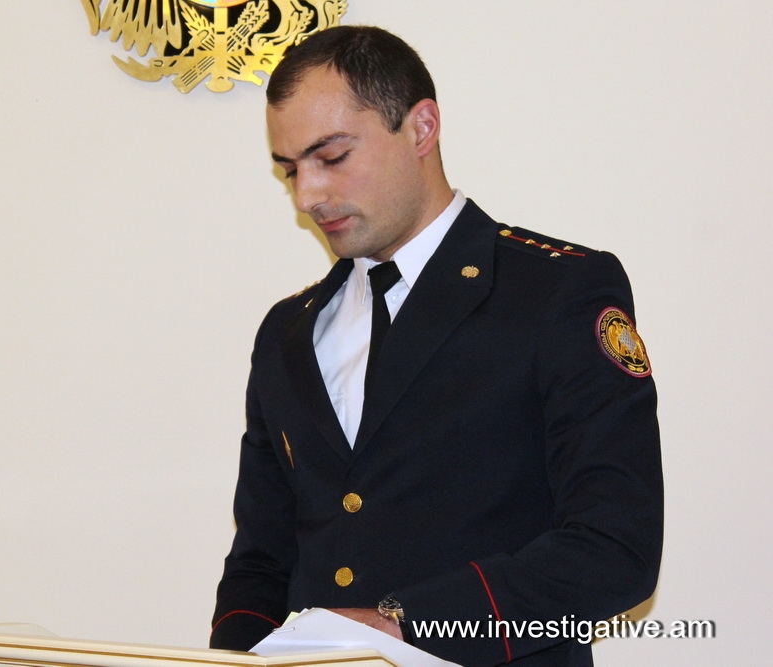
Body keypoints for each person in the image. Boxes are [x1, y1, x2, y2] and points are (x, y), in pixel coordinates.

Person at [209, 25, 662, 666]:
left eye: (331, 157)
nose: (307, 195)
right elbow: (260, 561)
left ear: (421, 128)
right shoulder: (287, 331)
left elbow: (615, 549)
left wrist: (403, 626)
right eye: (290, 170)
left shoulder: (554, 291)